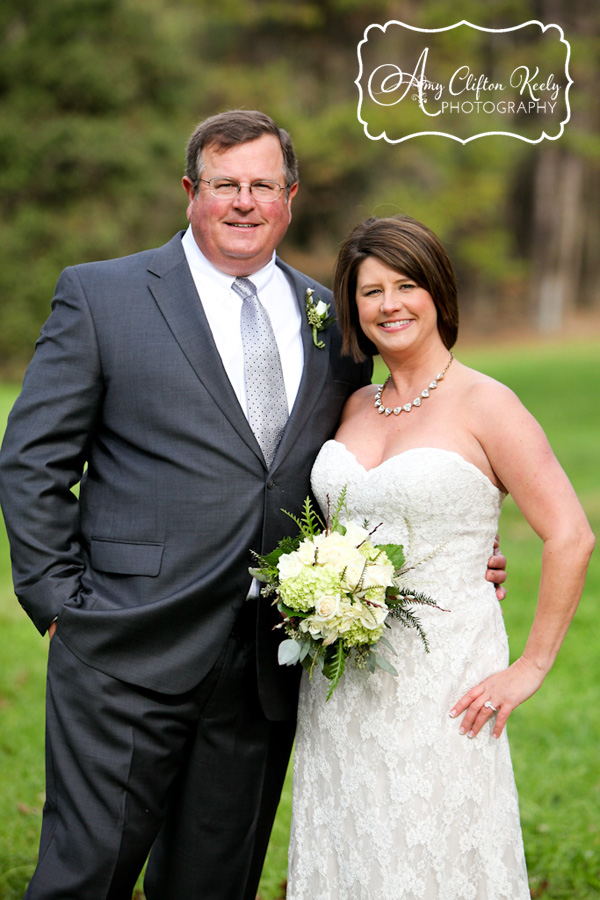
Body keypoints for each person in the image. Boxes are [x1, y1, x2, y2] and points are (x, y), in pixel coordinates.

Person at [0, 114, 506, 900]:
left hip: (265, 663)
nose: (244, 201)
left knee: (213, 885)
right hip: (125, 645)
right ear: (190, 192)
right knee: (83, 878)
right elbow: (32, 460)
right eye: (224, 184)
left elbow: (350, 466)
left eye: (262, 185)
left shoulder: (334, 321)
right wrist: (62, 604)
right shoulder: (102, 296)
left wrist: (442, 546)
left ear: (290, 198)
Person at [287, 215, 594, 900]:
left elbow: (571, 534)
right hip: (343, 684)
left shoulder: (488, 403)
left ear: (438, 293)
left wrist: (532, 666)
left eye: (406, 285)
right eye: (371, 291)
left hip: (445, 681)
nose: (389, 304)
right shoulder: (353, 405)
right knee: (352, 846)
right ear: (353, 307)